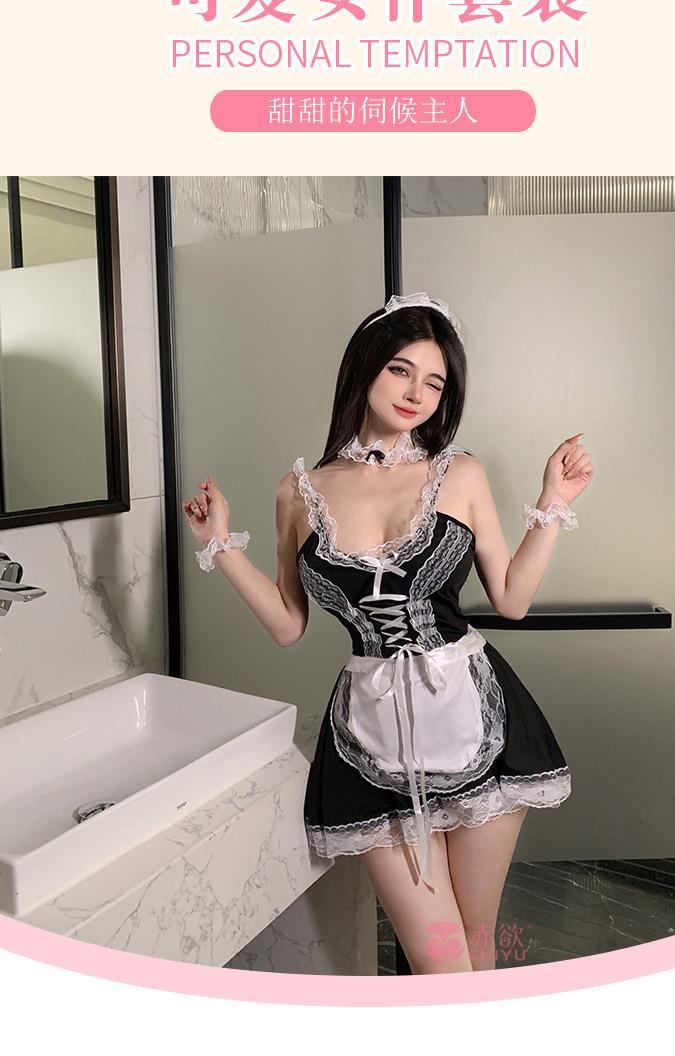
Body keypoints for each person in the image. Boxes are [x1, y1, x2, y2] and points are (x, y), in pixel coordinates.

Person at [182, 292, 594, 975]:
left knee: (474, 947)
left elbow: (512, 599)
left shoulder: (459, 473)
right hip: (372, 738)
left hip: (474, 714)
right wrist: (220, 545)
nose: (416, 394)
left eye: (435, 382)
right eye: (401, 370)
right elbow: (288, 624)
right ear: (365, 367)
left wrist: (553, 502)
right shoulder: (298, 492)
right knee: (440, 967)